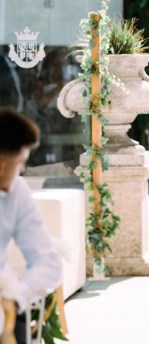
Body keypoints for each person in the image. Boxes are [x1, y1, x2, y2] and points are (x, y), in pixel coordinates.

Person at [0, 107, 61, 344]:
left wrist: (16, 297)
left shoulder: (18, 191)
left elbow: (47, 261)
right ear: (1, 164)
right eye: (21, 163)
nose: (22, 170)